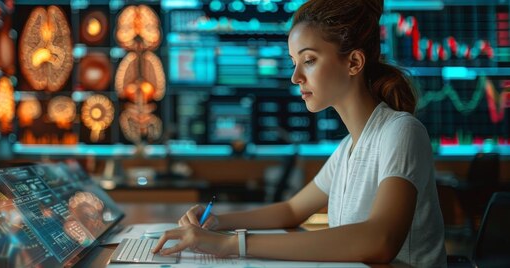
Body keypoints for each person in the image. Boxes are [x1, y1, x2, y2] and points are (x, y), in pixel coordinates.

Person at [152, 0, 447, 266]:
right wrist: (216, 222)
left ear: (354, 63)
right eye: (295, 63)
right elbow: (292, 210)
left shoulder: (401, 132)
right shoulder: (349, 148)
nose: (296, 77)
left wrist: (231, 244)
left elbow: (380, 240)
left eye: (309, 60)